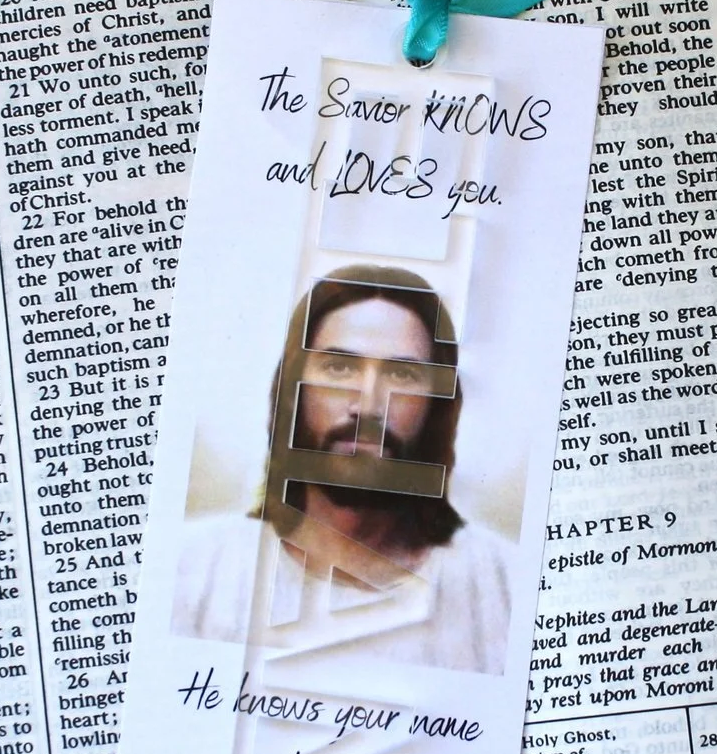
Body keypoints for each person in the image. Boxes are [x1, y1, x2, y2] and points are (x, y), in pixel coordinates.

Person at [173, 265, 518, 674]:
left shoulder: (506, 586)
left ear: (438, 406)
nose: (369, 405)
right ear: (292, 392)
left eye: (402, 374)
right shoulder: (192, 571)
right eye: (339, 368)